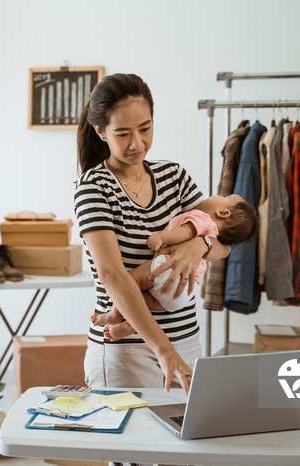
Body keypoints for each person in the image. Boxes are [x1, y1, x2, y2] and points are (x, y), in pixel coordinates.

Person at [74, 73, 231, 394]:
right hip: (128, 352)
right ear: (100, 132)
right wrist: (163, 350)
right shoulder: (93, 188)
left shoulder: (174, 175)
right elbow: (113, 275)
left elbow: (223, 243)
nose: (137, 143)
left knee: (188, 441)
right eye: (123, 133)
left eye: (145, 128)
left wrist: (198, 245)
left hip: (186, 342)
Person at [91, 193, 258, 341]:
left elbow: (184, 232)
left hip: (168, 270)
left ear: (223, 212)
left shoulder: (202, 218)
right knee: (141, 303)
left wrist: (161, 237)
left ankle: (115, 314)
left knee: (132, 281)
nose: (216, 195)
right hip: (181, 296)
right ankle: (130, 326)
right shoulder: (214, 235)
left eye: (224, 197)